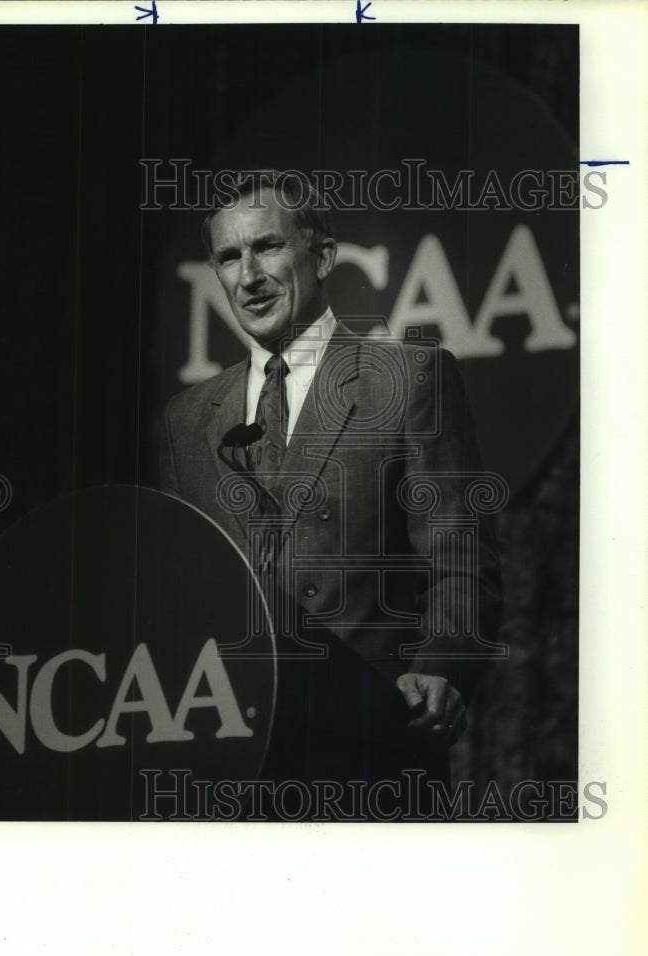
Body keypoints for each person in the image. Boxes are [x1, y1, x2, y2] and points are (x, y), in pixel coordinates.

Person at [160, 170, 503, 797]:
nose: (248, 276)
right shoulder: (185, 420)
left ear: (321, 256)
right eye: (229, 257)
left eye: (267, 246)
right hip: (236, 765)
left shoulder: (409, 378)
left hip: (373, 748)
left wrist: (441, 672)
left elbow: (459, 562)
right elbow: (182, 599)